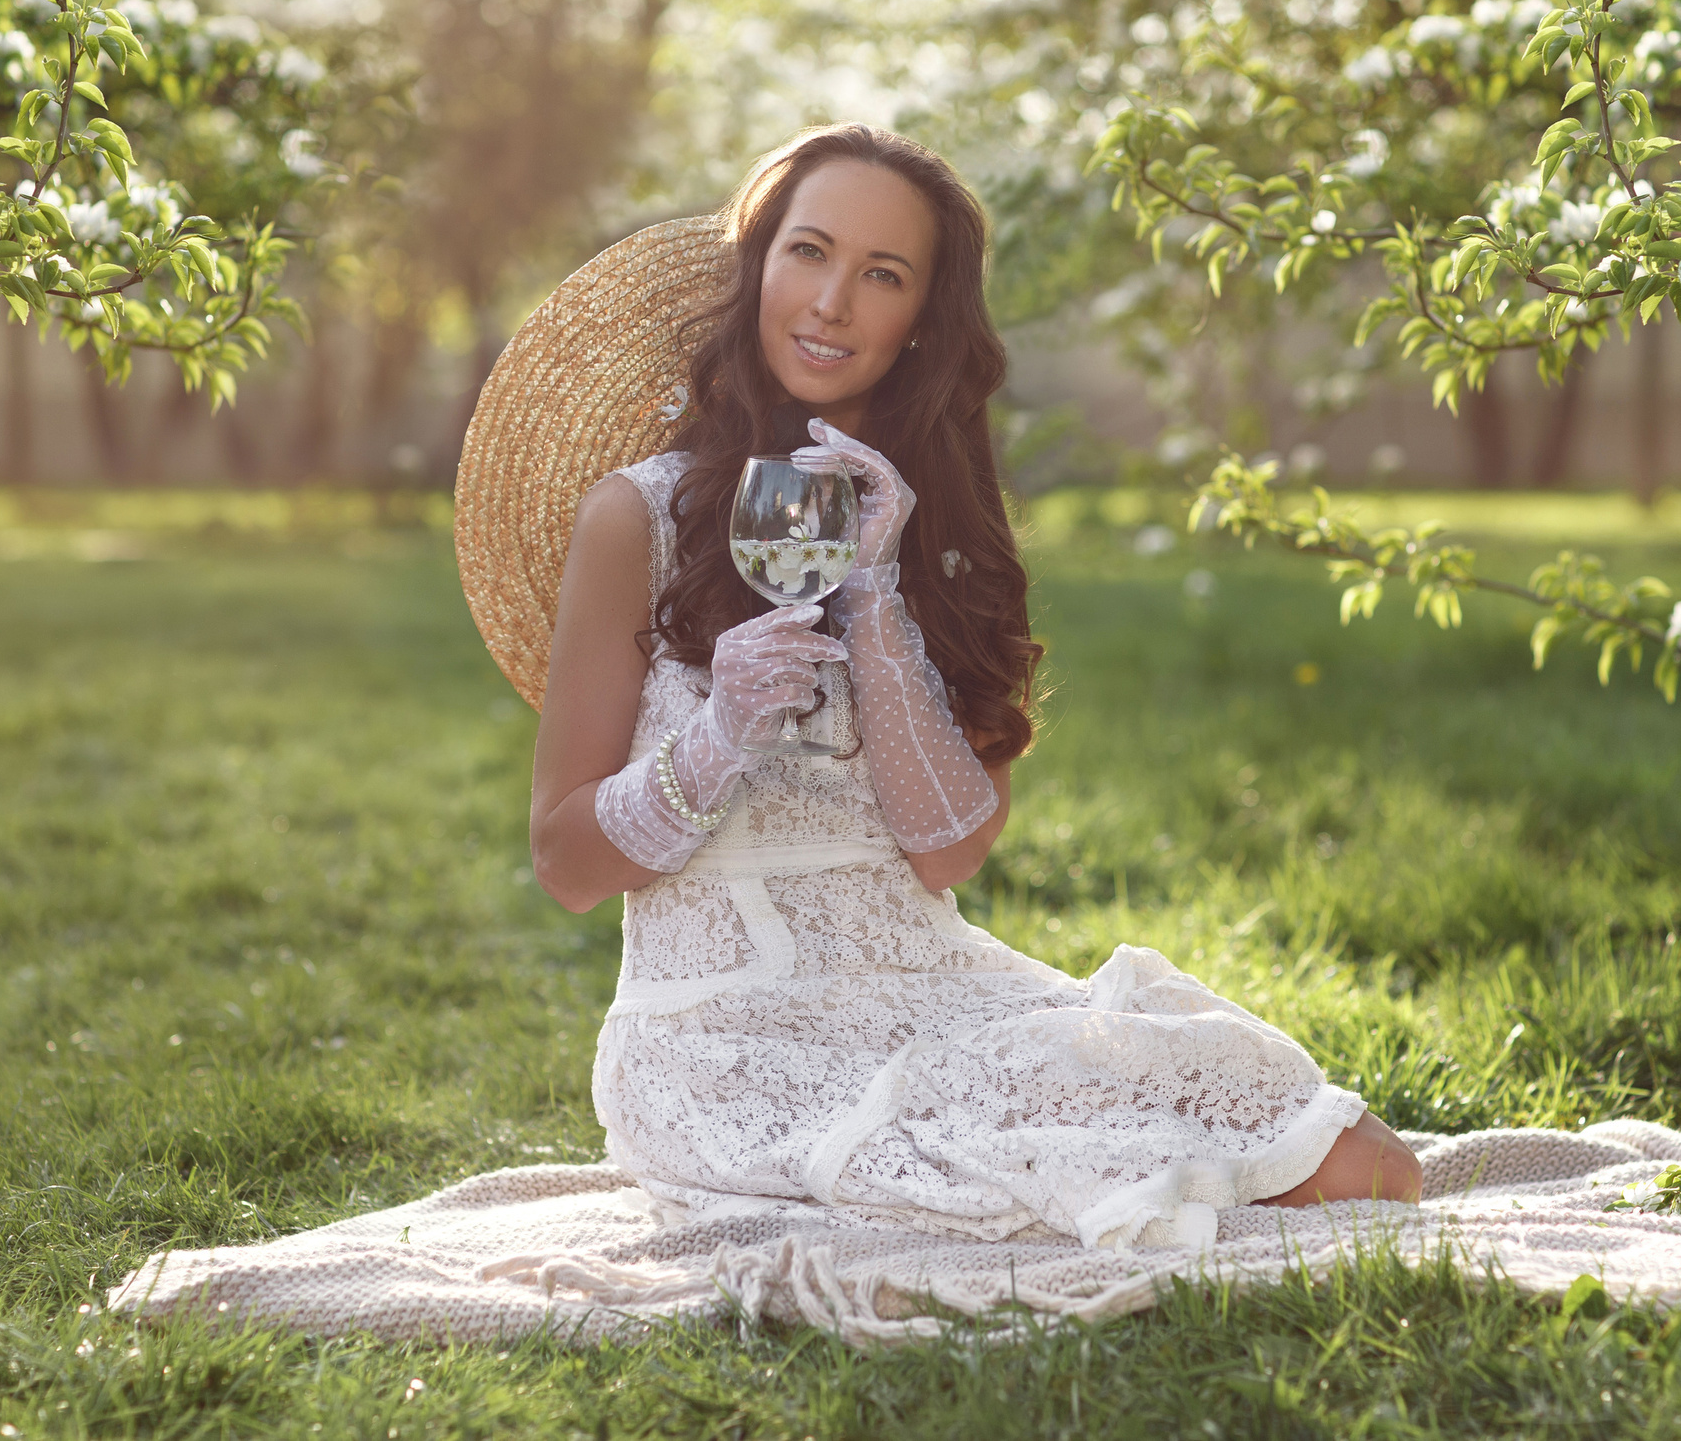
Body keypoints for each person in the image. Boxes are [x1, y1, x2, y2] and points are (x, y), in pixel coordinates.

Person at [526, 124, 1419, 1249]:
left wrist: (876, 596)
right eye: (808, 251)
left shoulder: (942, 536)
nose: (833, 301)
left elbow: (946, 853)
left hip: (932, 993)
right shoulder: (635, 519)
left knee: (1363, 1163)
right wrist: (717, 733)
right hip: (721, 1043)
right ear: (757, 267)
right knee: (1272, 1180)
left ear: (921, 325)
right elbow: (564, 864)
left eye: (882, 275)